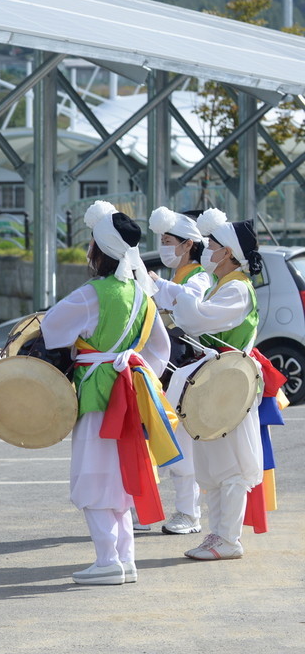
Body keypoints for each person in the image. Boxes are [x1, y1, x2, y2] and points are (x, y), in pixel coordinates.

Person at [40, 201, 180, 586]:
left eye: (91, 244)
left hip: (97, 391)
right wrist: (135, 371)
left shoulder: (93, 293)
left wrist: (86, 352)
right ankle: (125, 559)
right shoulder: (142, 294)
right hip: (130, 391)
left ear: (100, 249)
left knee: (92, 476)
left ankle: (107, 560)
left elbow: (52, 327)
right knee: (121, 475)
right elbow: (160, 349)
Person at [169, 209, 285, 561]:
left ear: (228, 252)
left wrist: (166, 290)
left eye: (211, 245)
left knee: (231, 463)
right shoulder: (224, 284)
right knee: (214, 462)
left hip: (230, 383)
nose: (207, 250)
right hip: (218, 381)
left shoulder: (236, 288)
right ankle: (218, 535)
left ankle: (228, 538)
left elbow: (197, 318)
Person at [144, 207, 212, 536]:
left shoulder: (199, 277)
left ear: (188, 245)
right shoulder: (178, 276)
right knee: (167, 438)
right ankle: (152, 508)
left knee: (182, 441)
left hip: (189, 371)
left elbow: (190, 303)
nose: (163, 247)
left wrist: (158, 285)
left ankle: (189, 513)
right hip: (172, 370)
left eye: (168, 241)